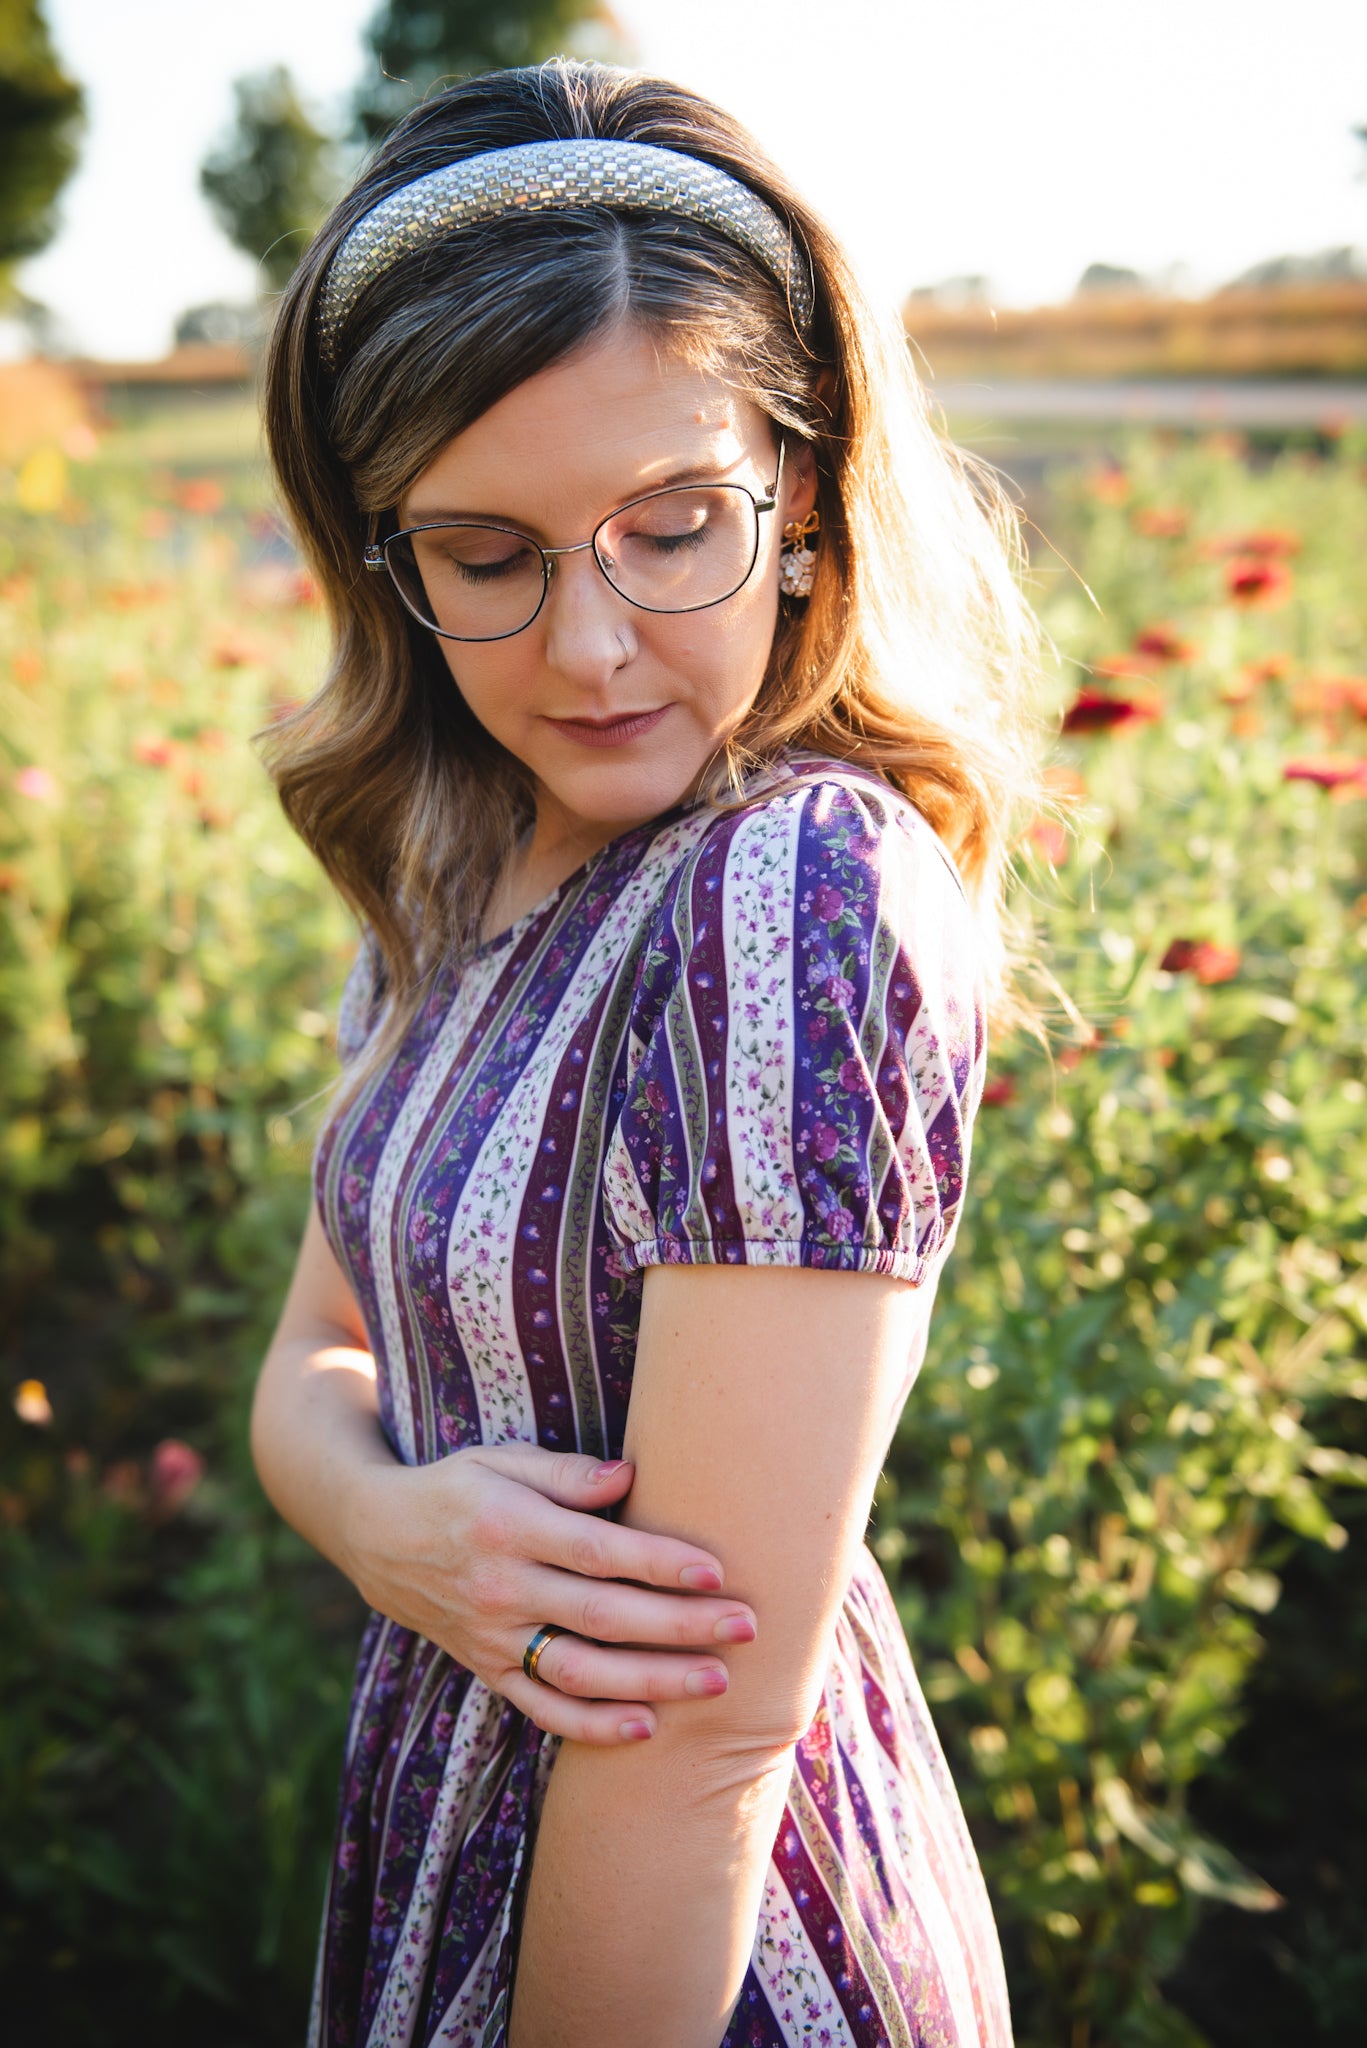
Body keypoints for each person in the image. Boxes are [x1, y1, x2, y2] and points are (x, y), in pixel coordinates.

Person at [251, 55, 1051, 2048]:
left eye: (674, 521)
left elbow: (696, 1746)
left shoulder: (790, 893)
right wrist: (388, 1526)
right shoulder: (454, 861)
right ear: (390, 562)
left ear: (799, 498)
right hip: (451, 1834)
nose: (593, 648)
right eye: (489, 553)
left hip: (689, 1954)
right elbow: (311, 1366)